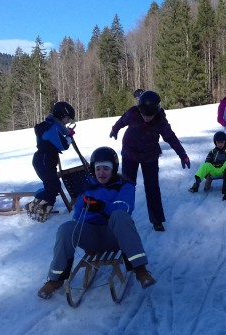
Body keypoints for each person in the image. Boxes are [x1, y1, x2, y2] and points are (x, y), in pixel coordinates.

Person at [37, 147, 156, 299]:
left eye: (106, 168)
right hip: (92, 237)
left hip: (114, 236)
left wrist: (101, 206)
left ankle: (140, 270)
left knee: (120, 216)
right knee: (66, 228)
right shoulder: (87, 188)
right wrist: (89, 209)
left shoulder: (124, 185)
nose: (101, 173)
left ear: (113, 169)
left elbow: (124, 208)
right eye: (98, 168)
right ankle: (55, 279)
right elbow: (78, 216)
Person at [109, 90, 190, 232]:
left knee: (152, 187)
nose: (147, 118)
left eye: (150, 115)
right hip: (130, 154)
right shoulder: (133, 113)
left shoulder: (160, 121)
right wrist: (115, 129)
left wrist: (182, 155)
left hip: (150, 156)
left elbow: (170, 137)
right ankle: (124, 218)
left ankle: (157, 220)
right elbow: (122, 121)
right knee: (127, 187)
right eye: (144, 115)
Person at [25, 101, 76, 222]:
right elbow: (63, 145)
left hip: (45, 160)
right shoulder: (53, 127)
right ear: (62, 116)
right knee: (53, 186)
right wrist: (69, 137)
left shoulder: (51, 125)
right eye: (67, 119)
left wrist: (67, 134)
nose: (68, 122)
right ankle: (34, 205)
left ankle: (44, 205)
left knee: (53, 185)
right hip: (44, 160)